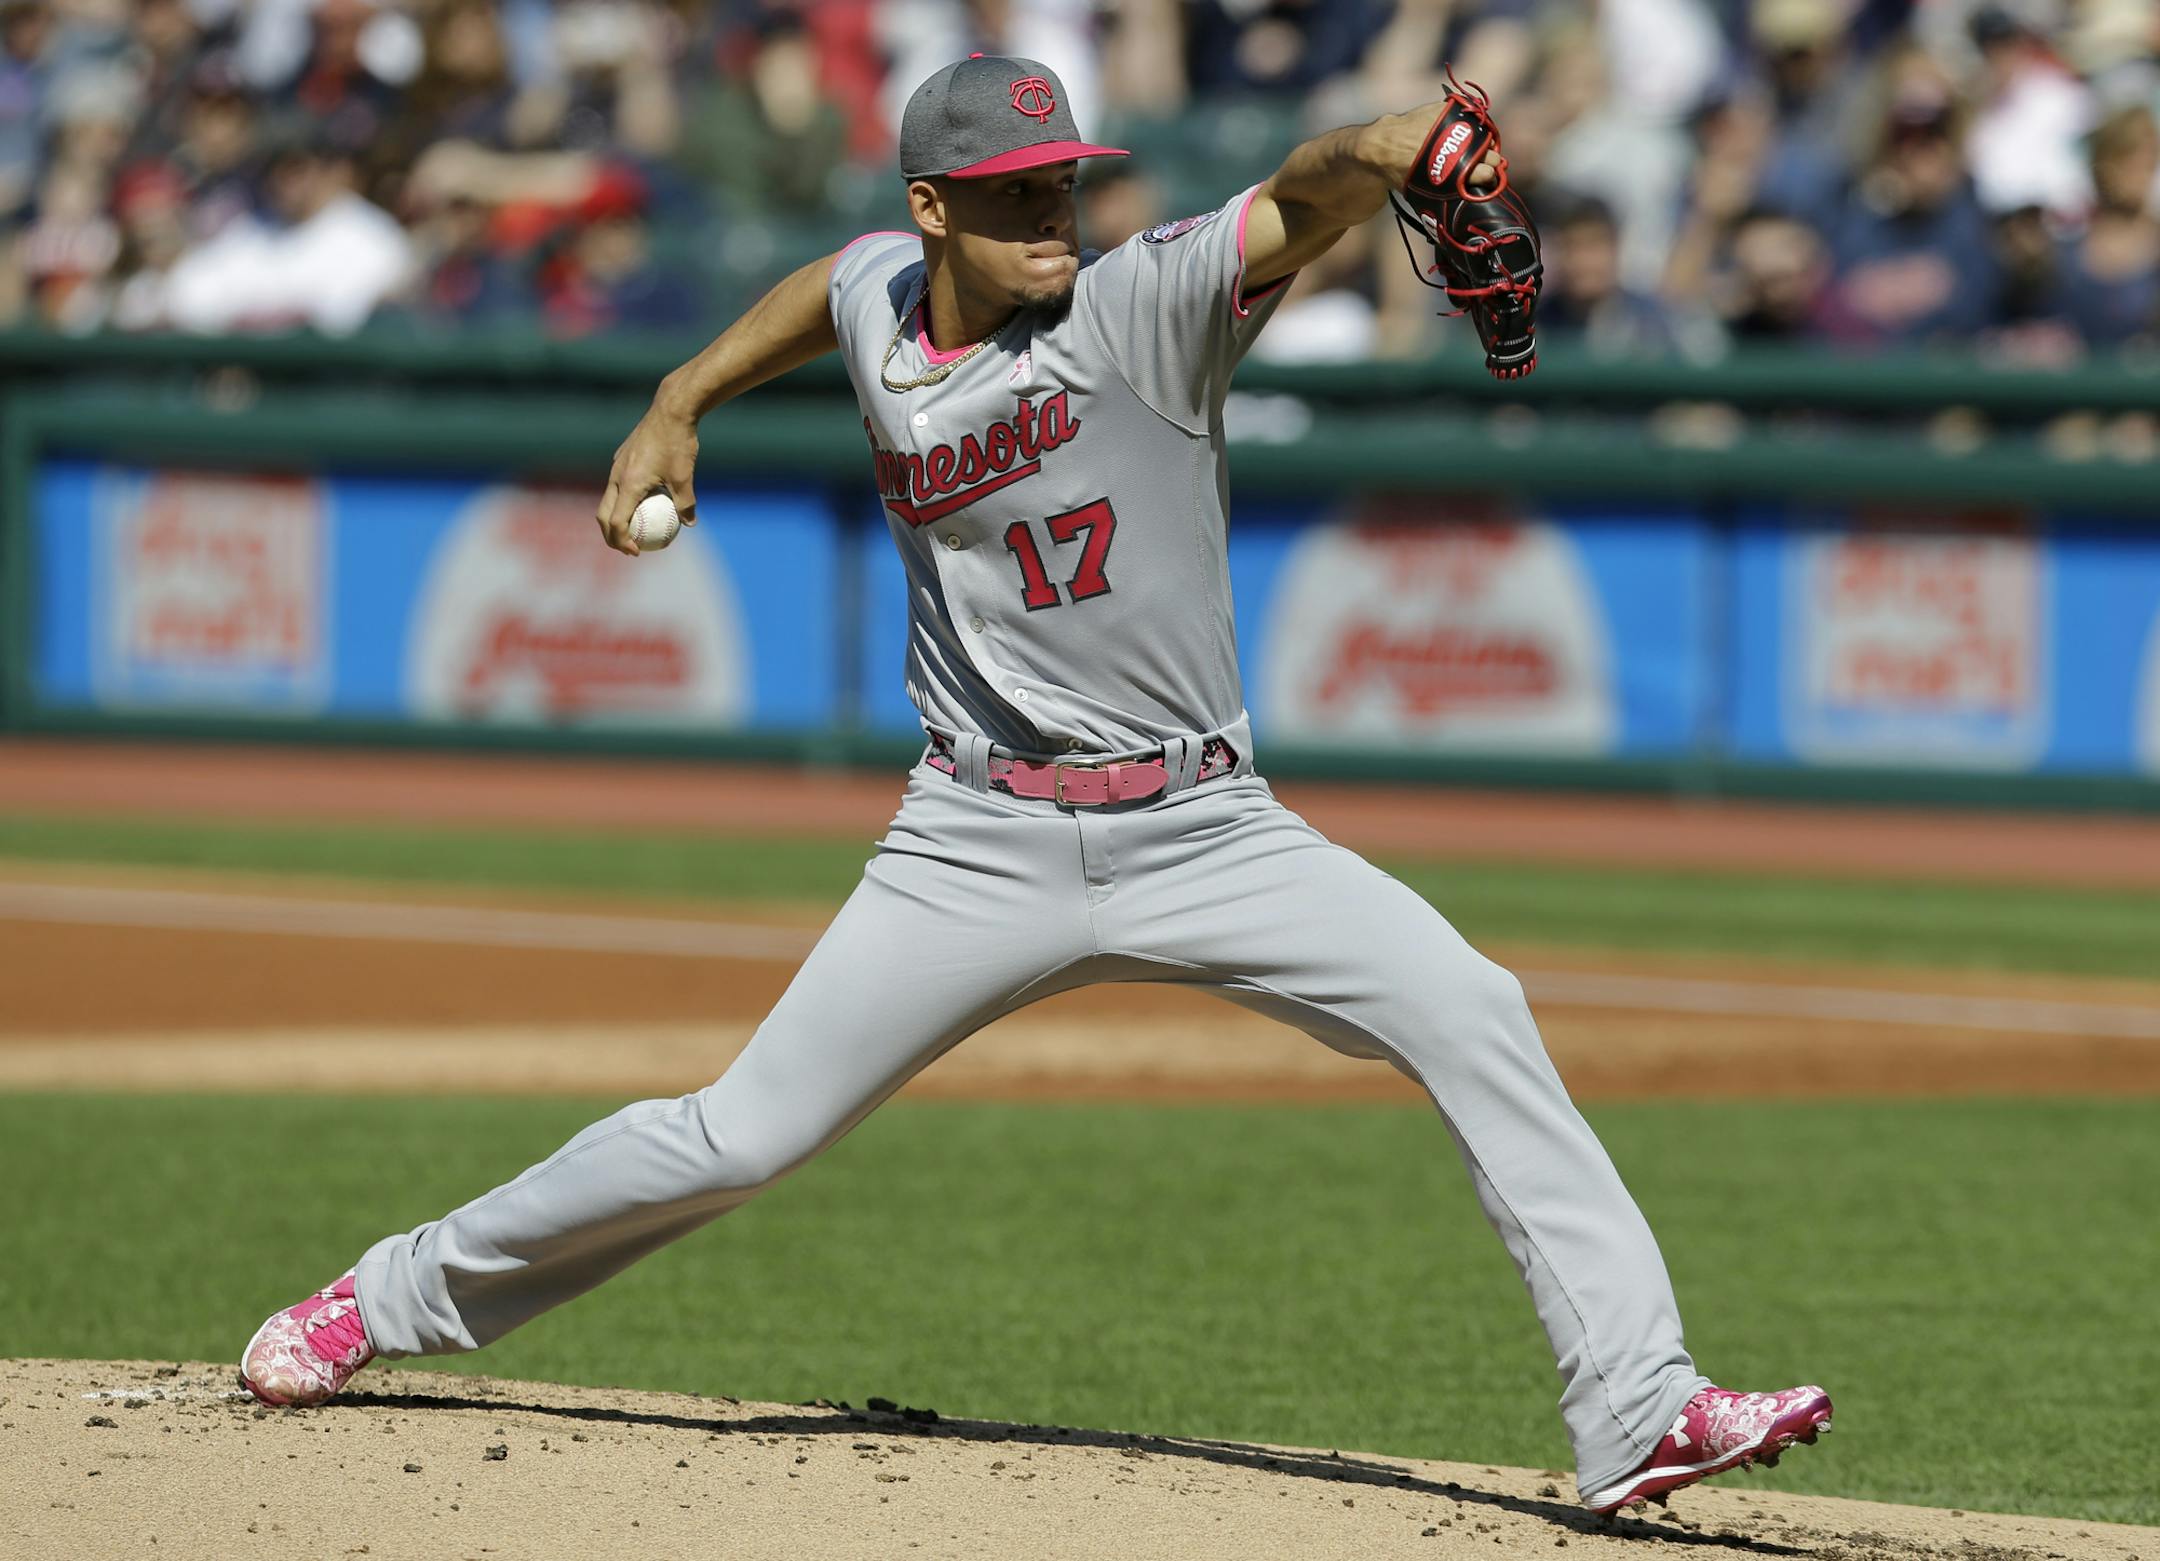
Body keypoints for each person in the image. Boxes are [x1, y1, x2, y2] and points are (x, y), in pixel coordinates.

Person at [239, 54, 1832, 1518]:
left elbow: (1312, 191)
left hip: (1206, 826)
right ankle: (376, 1298)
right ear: (933, 207)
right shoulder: (885, 295)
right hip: (975, 835)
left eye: (1064, 181)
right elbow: (830, 290)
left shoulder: (1136, 305)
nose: (1052, 213)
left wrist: (1398, 143)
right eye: (1014, 195)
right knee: (738, 1135)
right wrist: (679, 399)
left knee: (1472, 1006)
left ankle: (1639, 1405)